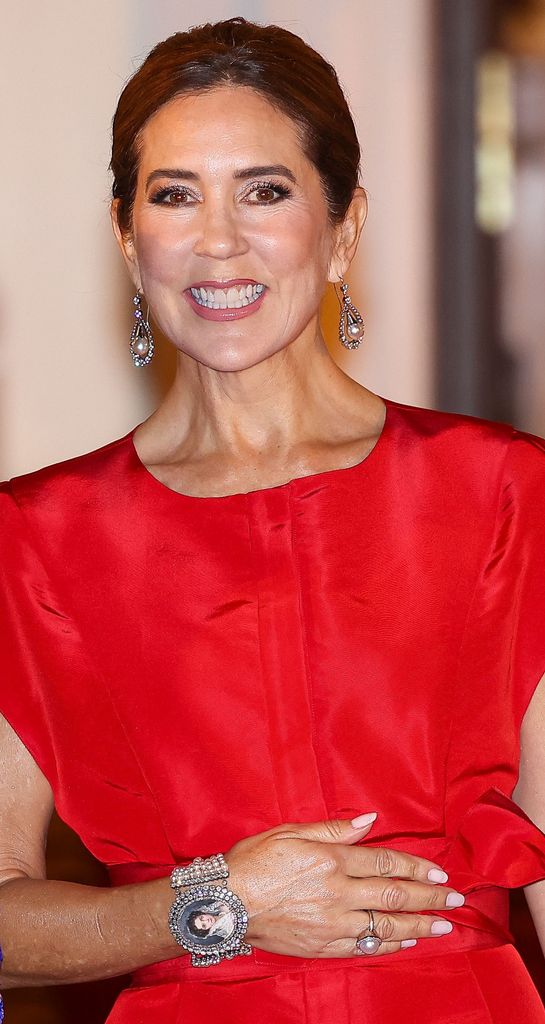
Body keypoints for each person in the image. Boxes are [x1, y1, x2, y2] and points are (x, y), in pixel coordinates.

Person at [0, 15, 544, 1024]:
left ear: (342, 228)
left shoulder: (504, 491)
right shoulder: (33, 538)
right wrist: (217, 906)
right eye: (174, 196)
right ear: (128, 239)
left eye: (264, 190)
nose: (216, 239)